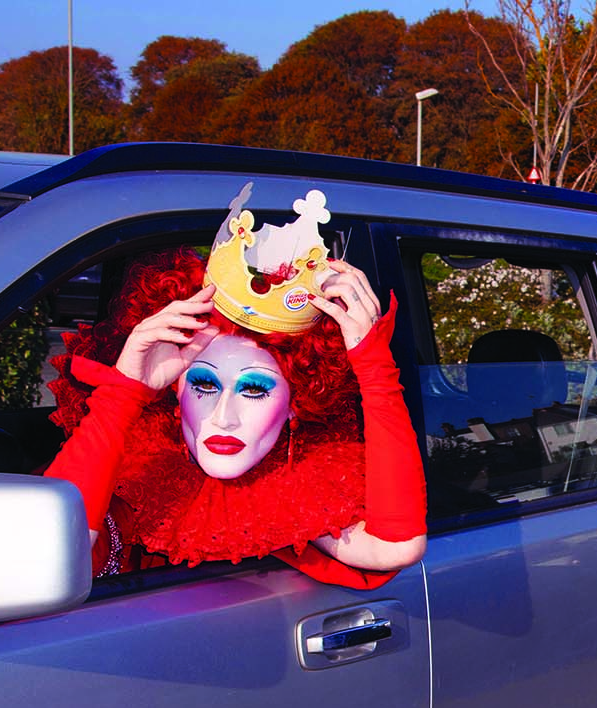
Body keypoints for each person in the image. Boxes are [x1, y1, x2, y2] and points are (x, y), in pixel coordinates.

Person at [44, 187, 426, 589]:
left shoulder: (293, 498)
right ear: (175, 392)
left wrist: (374, 368)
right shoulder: (132, 480)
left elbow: (395, 544)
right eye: (204, 384)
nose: (223, 416)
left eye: (255, 390)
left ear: (294, 405)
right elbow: (47, 552)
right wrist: (124, 393)